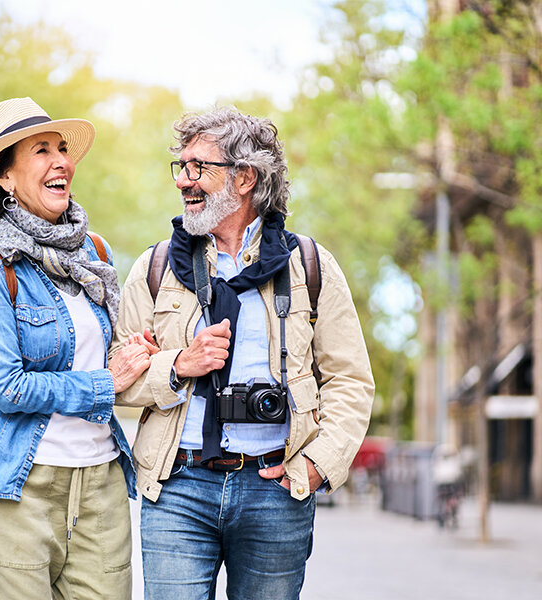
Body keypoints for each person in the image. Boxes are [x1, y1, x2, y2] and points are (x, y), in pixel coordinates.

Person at [112, 107, 375, 600]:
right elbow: (115, 379)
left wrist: (317, 464)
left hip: (276, 487)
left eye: (198, 167)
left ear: (245, 178)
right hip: (177, 487)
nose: (184, 181)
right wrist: (178, 366)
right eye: (181, 167)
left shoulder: (310, 266)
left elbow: (350, 381)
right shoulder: (155, 267)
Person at [0, 97, 151, 600]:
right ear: (5, 178)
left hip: (100, 484)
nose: (61, 161)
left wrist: (143, 354)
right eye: (40, 151)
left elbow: (110, 356)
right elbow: (7, 387)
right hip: (19, 484)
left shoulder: (94, 255)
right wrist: (106, 382)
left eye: (62, 149)